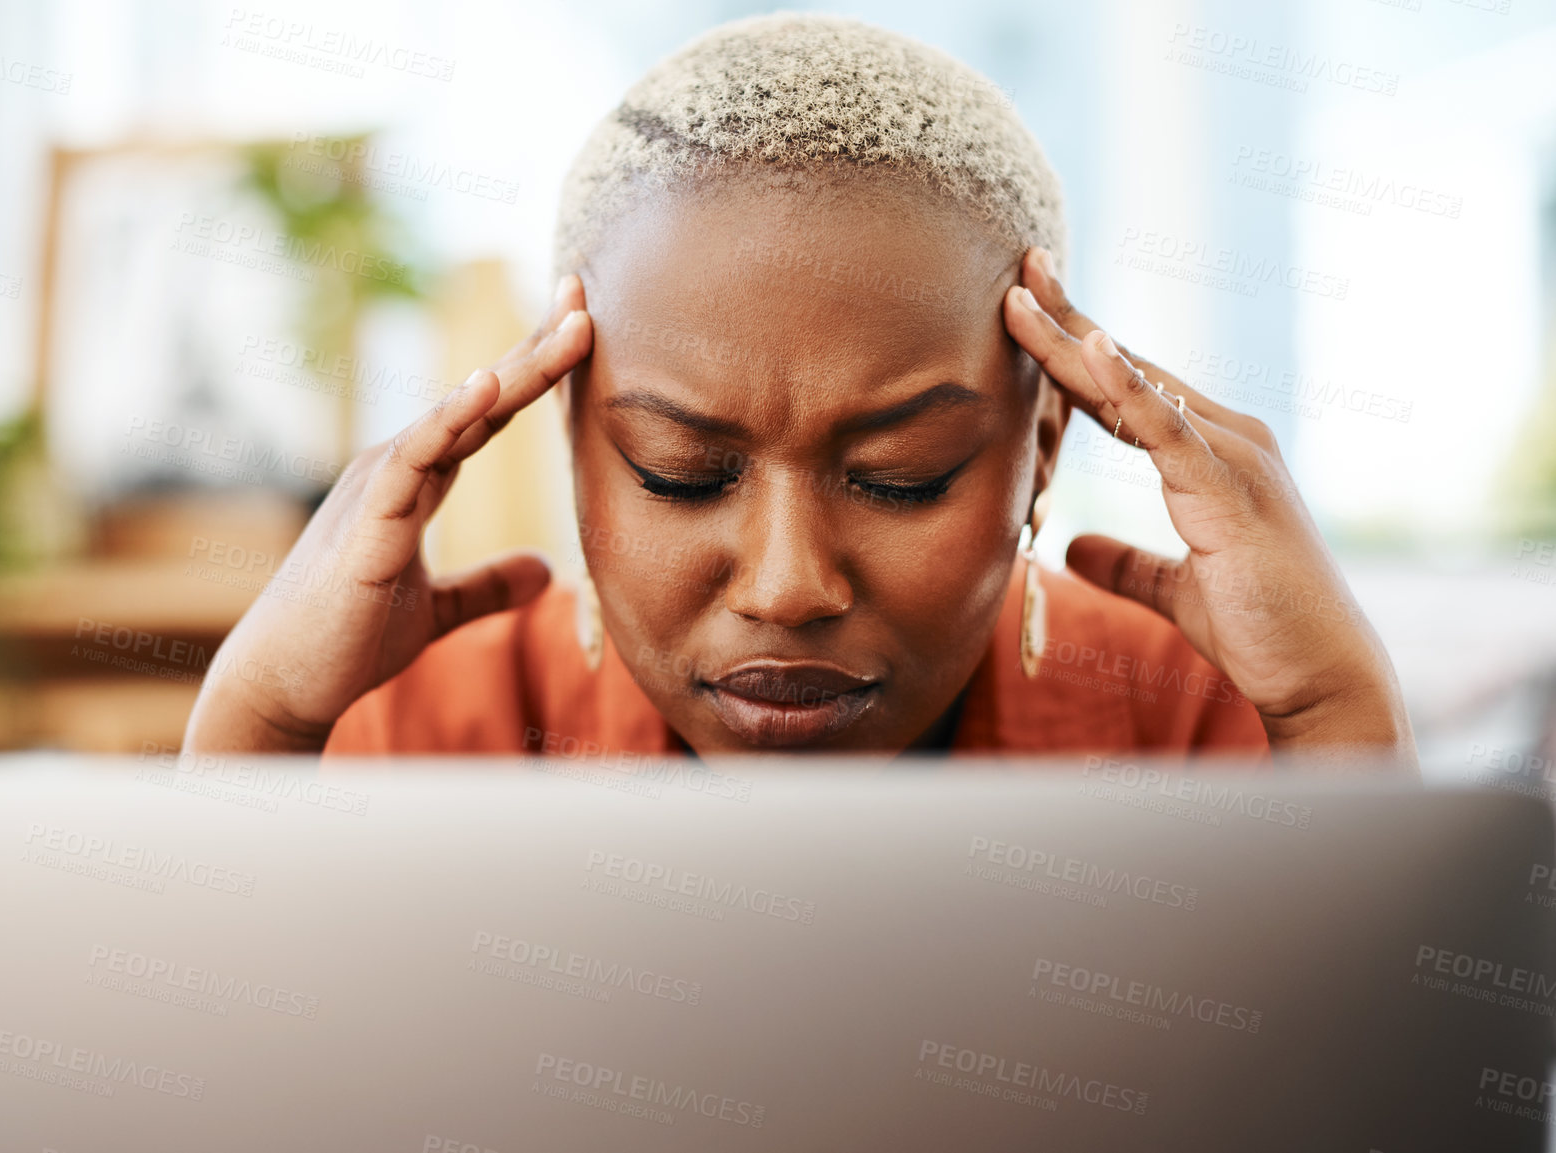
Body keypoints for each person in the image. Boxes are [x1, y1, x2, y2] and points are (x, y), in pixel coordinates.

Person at [182, 13, 1415, 768]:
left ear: (1043, 445)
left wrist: (1333, 714)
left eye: (900, 477)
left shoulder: (1189, 725)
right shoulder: (433, 727)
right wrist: (256, 720)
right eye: (679, 471)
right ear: (567, 438)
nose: (786, 586)